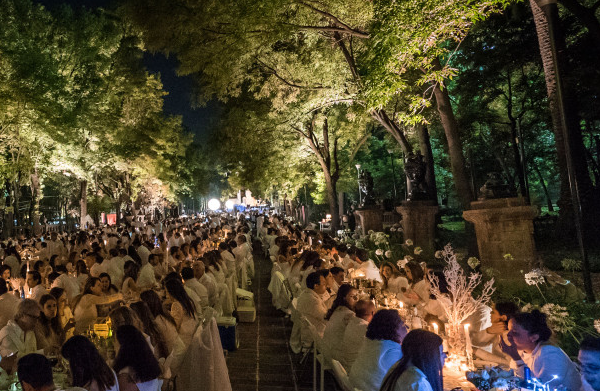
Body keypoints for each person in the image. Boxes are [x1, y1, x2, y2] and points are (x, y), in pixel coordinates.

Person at [501, 310, 581, 391]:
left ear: (534, 337)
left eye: (515, 332)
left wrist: (517, 359)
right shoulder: (522, 351)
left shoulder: (551, 354)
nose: (508, 335)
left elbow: (541, 388)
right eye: (508, 330)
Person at [349, 309, 408, 391]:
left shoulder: (370, 341)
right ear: (392, 329)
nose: (406, 329)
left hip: (356, 383)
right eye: (403, 325)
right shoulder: (395, 351)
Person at [379, 329, 445, 391]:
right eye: (441, 352)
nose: (445, 356)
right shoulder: (418, 383)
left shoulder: (398, 369)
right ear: (428, 355)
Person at [113, 325, 162, 391]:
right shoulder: (150, 367)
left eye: (116, 342)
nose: (114, 347)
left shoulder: (126, 374)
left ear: (123, 346)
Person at [321, 284, 358, 363]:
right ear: (344, 298)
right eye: (352, 296)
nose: (356, 299)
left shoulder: (338, 309)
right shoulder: (349, 314)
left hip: (328, 349)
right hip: (336, 356)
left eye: (357, 295)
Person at [296, 271, 329, 346]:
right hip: (315, 336)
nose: (326, 285)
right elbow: (325, 319)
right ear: (316, 286)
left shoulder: (306, 293)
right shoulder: (313, 300)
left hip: (308, 331)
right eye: (324, 284)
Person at [340, 299, 375, 370]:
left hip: (346, 363)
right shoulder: (365, 329)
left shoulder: (353, 321)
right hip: (356, 369)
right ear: (373, 313)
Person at [165, 278, 198, 346]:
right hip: (192, 333)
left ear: (171, 292)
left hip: (183, 339)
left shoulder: (176, 304)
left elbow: (176, 326)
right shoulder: (187, 300)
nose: (166, 294)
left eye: (166, 291)